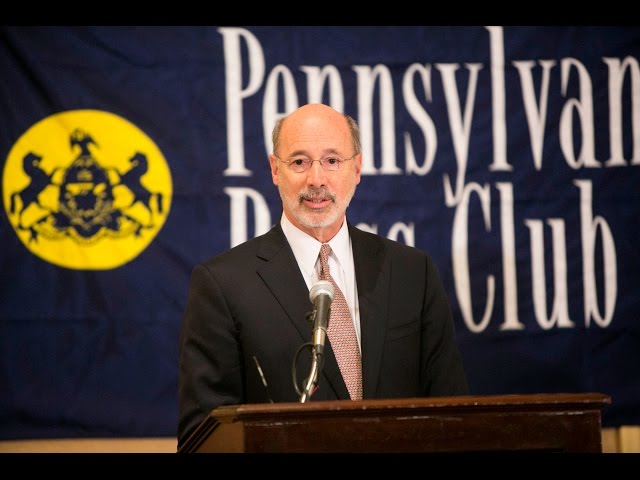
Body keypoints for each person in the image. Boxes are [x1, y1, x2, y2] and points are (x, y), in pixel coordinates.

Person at [177, 103, 468, 448]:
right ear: (275, 169)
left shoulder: (411, 272)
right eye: (299, 162)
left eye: (332, 160)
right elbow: (204, 437)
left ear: (357, 168)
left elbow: (452, 414)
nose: (316, 179)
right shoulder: (223, 284)